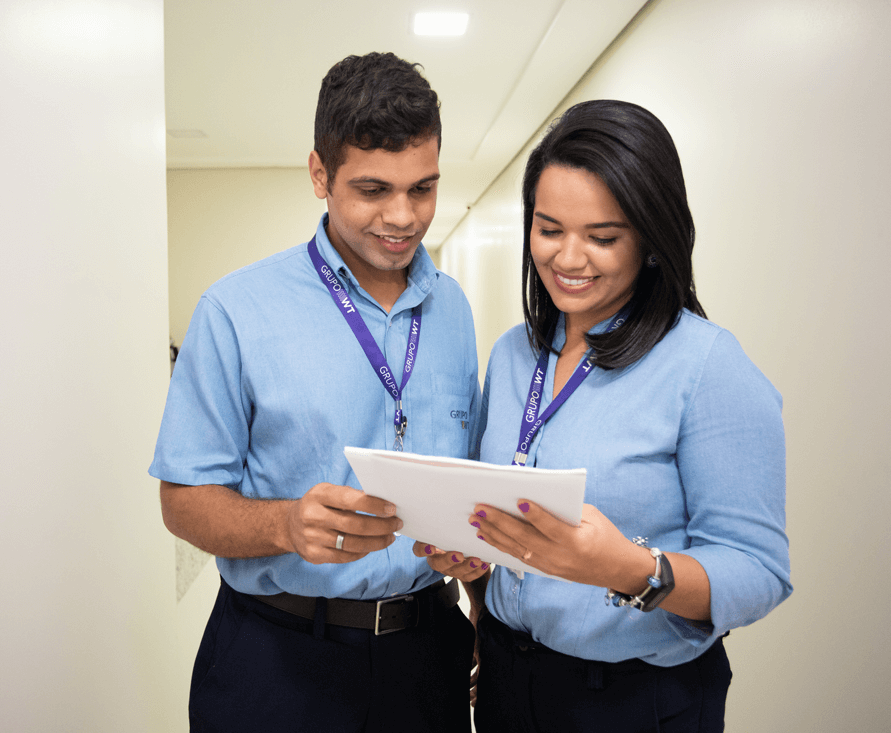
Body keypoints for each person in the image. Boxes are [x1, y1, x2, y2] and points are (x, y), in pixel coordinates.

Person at [149, 52, 485, 733]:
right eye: (372, 189)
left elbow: (463, 485)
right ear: (319, 174)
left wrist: (481, 601)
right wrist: (284, 525)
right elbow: (183, 502)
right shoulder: (235, 310)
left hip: (427, 654)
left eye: (423, 188)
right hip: (277, 658)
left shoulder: (454, 311)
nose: (402, 216)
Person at [432, 100, 792, 732]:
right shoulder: (515, 354)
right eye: (549, 230)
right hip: (508, 678)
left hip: (633, 699)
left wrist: (628, 568)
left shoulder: (706, 364)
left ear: (651, 240)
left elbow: (758, 571)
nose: (569, 260)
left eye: (602, 237)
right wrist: (475, 562)